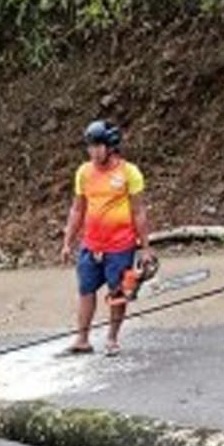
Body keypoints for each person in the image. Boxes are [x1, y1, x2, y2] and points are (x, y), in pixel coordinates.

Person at [59, 120, 149, 356]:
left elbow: (139, 211)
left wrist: (145, 247)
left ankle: (112, 338)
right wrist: (68, 242)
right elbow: (77, 209)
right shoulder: (84, 172)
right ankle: (82, 339)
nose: (94, 152)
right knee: (86, 290)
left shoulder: (129, 173)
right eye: (90, 146)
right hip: (91, 244)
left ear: (110, 146)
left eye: (98, 146)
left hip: (120, 245)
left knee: (117, 292)